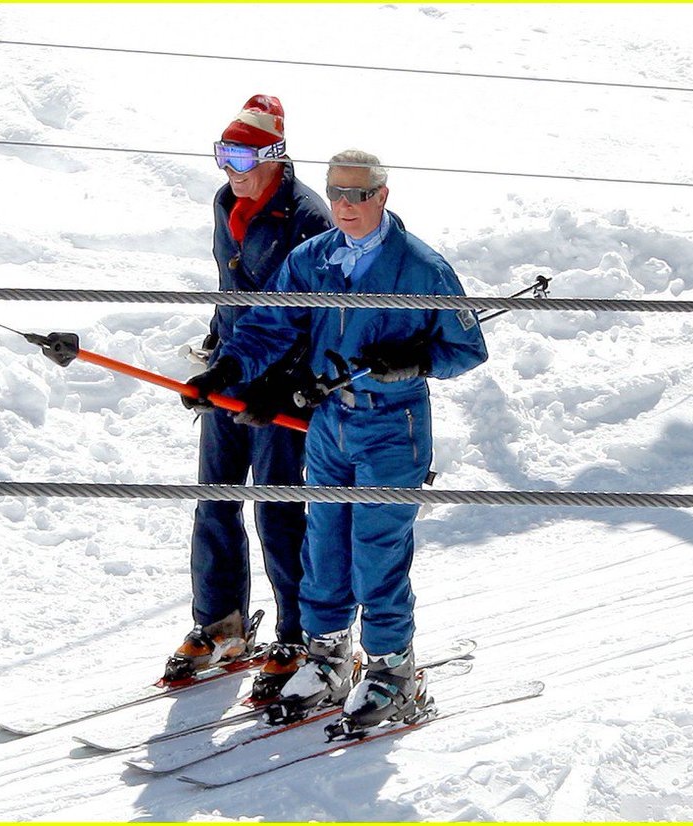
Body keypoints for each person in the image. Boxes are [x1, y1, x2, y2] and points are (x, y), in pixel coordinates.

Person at [183, 149, 489, 730]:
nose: (345, 206)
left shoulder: (420, 267)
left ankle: (392, 671)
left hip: (389, 426)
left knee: (377, 548)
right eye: (337, 193)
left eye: (359, 194)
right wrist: (227, 370)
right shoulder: (314, 258)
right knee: (321, 546)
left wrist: (414, 362)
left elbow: (466, 348)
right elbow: (273, 324)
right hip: (329, 425)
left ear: (383, 195)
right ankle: (326, 661)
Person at [165, 95, 332, 702]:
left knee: (278, 510)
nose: (228, 167)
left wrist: (286, 383)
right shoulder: (226, 203)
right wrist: (216, 353)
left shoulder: (306, 217)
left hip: (280, 386)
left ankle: (298, 631)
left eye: (239, 154)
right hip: (233, 370)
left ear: (274, 154)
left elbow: (312, 314)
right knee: (215, 499)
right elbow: (231, 288)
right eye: (222, 153)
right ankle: (220, 623)